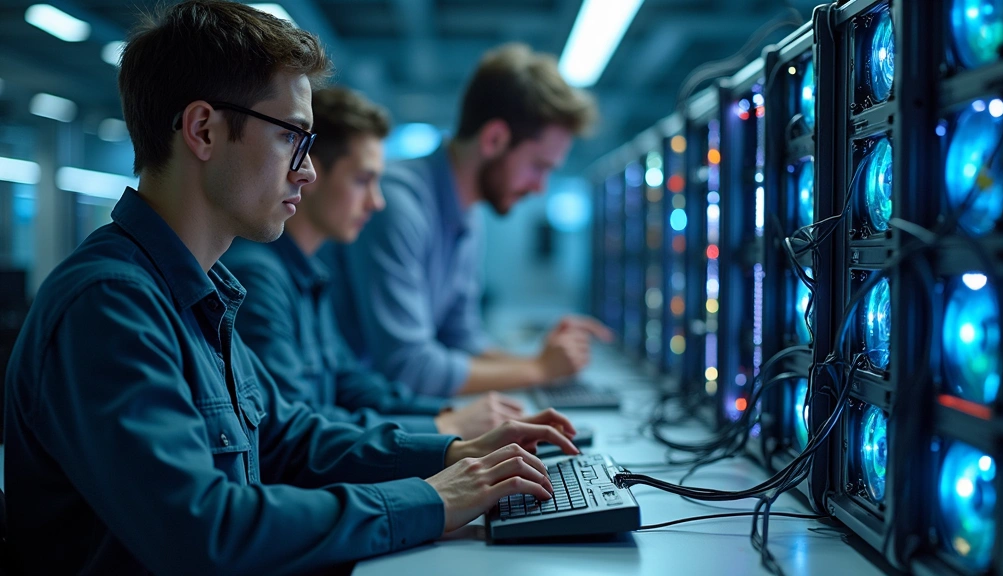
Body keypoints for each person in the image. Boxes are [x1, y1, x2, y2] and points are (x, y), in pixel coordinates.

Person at [3, 3, 576, 573]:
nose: (308, 170)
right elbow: (205, 530)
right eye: (291, 138)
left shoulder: (202, 289)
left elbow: (287, 439)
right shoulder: (109, 305)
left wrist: (454, 454)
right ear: (203, 129)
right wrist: (432, 499)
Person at [222, 86, 567, 439]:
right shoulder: (260, 276)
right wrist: (443, 428)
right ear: (312, 173)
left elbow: (351, 385)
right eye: (363, 180)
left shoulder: (309, 274)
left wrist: (450, 415)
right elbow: (290, 439)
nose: (376, 203)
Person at [324, 43, 613, 398]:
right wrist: (537, 369)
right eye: (539, 167)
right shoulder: (397, 205)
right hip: (350, 416)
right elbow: (408, 368)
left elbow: (461, 340)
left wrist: (545, 364)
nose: (540, 189)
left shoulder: (468, 215)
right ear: (494, 139)